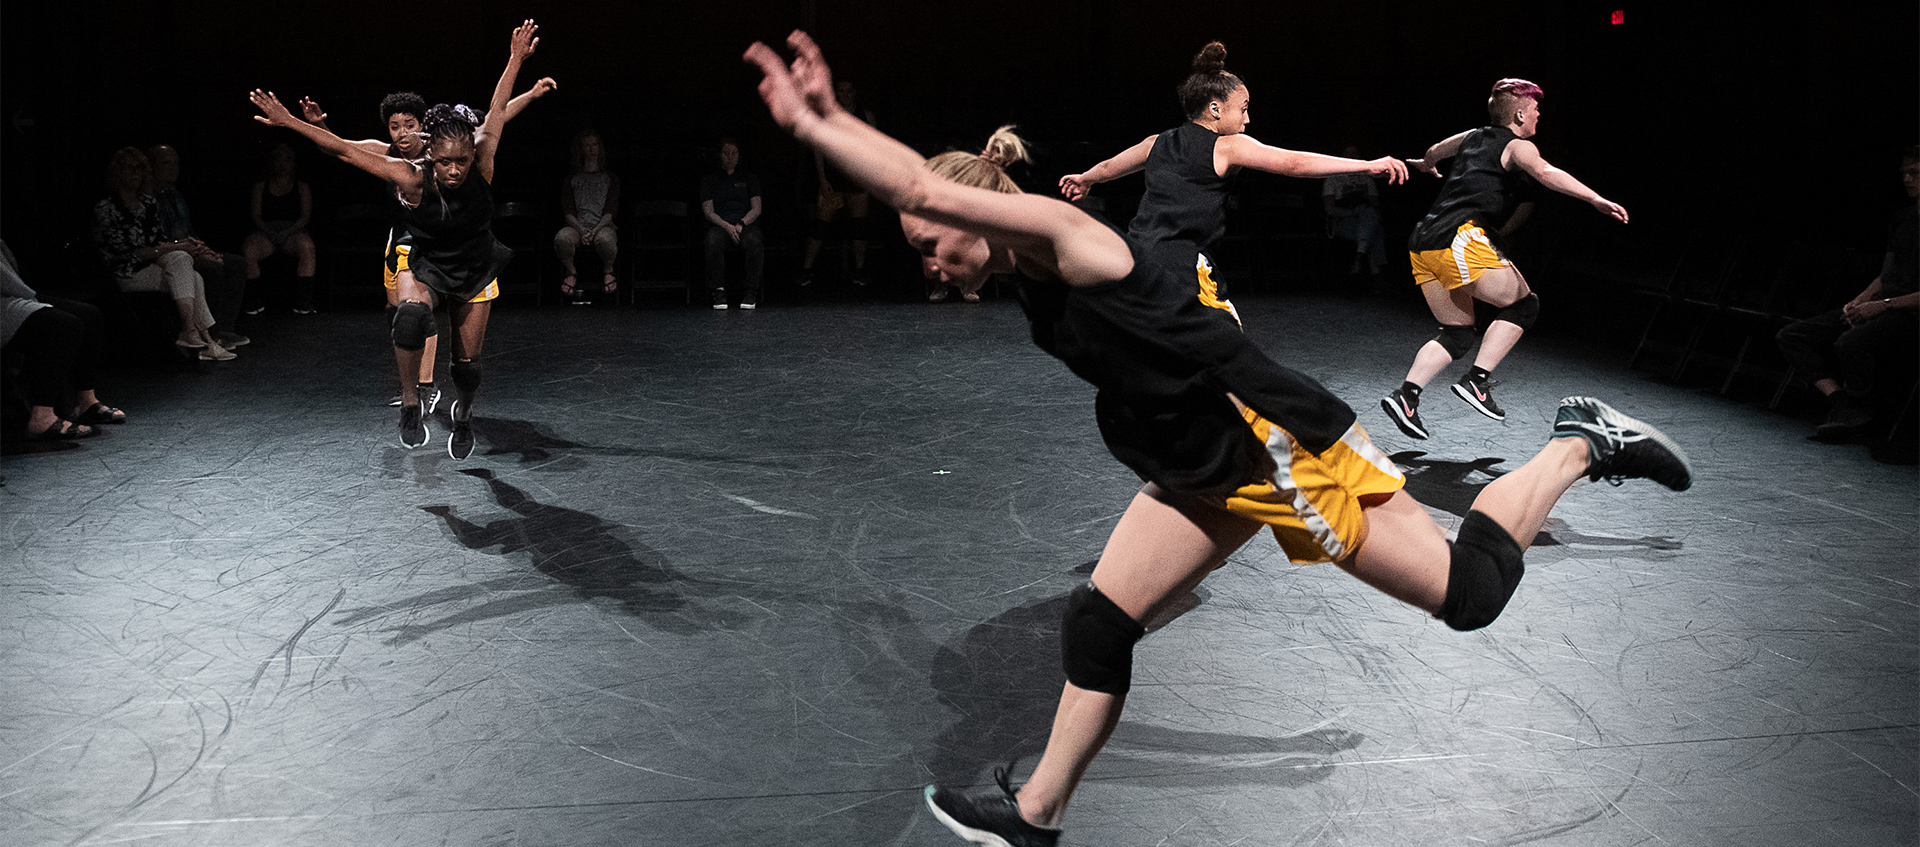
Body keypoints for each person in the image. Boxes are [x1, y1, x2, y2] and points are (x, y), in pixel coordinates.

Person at [744, 32, 1694, 847]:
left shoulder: (1069, 240)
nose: (930, 260)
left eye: (930, 241)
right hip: (1196, 461)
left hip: (1275, 445)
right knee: (1100, 621)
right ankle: (1035, 817)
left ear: (970, 214)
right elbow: (929, 195)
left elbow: (917, 180)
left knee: (1469, 594)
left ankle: (1578, 444)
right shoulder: (1034, 273)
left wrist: (819, 120)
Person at [251, 19, 552, 458]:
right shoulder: (410, 177)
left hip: (475, 265)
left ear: (471, 153)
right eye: (445, 162)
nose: (453, 170)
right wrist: (292, 123)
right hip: (428, 263)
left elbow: (497, 108)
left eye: (461, 162)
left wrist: (515, 60)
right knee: (408, 318)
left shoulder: (482, 159)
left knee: (467, 368)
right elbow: (343, 150)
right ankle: (411, 404)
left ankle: (463, 415)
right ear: (433, 155)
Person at [1060, 42, 1406, 321]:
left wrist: (1084, 179)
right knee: (1227, 353)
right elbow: (1294, 163)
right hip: (1181, 265)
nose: (1247, 118)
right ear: (1214, 109)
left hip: (1137, 260)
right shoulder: (1227, 146)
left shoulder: (1156, 142)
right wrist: (1366, 165)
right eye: (1242, 108)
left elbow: (1108, 168)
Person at [1380, 79, 1630, 440]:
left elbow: (1435, 150)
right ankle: (1477, 382)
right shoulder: (1518, 146)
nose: (1538, 116)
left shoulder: (1472, 136)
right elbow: (1545, 172)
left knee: (1458, 332)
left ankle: (1406, 397)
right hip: (1458, 238)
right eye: (1535, 110)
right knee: (1523, 306)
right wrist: (1594, 199)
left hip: (1423, 242)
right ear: (1519, 113)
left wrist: (1427, 164)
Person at [300, 83, 552, 406]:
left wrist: (529, 94)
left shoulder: (445, 150)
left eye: (409, 126)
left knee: (419, 311)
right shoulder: (389, 154)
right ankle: (414, 382)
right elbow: (340, 148)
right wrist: (317, 125)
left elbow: (494, 118)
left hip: (435, 245)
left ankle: (426, 384)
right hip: (400, 237)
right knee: (398, 315)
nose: (402, 134)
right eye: (394, 127)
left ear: (423, 130)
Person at [1776, 147, 1920, 442]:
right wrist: (1862, 299)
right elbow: (1887, 274)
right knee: (1793, 336)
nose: (1907, 179)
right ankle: (1844, 405)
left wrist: (1881, 306)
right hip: (1885, 305)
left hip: (1910, 314)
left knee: (1850, 343)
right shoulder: (1903, 219)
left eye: (1914, 172)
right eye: (1903, 173)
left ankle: (1861, 411)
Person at [92, 147, 235, 361]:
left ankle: (195, 335)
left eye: (139, 170)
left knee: (186, 266)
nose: (134, 174)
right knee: (188, 270)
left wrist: (180, 247)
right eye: (129, 169)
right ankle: (206, 339)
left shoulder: (148, 204)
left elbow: (158, 240)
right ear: (117, 173)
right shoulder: (107, 208)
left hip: (151, 265)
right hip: (127, 271)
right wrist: (175, 247)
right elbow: (131, 253)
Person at [1, 239, 124, 440]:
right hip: (6, 297)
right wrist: (32, 297)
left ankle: (86, 403)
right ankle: (42, 417)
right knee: (64, 326)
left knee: (89, 316)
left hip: (9, 294)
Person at [146, 144, 250, 350]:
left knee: (235, 263)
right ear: (152, 166)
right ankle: (212, 331)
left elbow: (187, 229)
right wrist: (193, 250)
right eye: (167, 163)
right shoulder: (148, 199)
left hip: (188, 247)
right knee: (212, 269)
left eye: (176, 163)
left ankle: (225, 328)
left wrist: (205, 249)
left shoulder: (173, 193)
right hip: (170, 254)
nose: (173, 168)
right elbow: (157, 238)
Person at [794, 78, 878, 289]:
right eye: (842, 91)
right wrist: (822, 179)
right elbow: (818, 148)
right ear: (837, 93)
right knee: (821, 225)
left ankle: (859, 270)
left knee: (859, 225)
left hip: (857, 178)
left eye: (849, 90)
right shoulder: (827, 115)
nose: (846, 94)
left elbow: (876, 148)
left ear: (854, 92)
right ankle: (806, 270)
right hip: (833, 177)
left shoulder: (865, 115)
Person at [242, 143, 318, 314]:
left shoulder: (301, 187)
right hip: (266, 232)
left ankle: (303, 303)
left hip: (292, 232)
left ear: (293, 163)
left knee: (308, 247)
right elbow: (256, 216)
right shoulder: (261, 186)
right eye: (278, 160)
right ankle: (253, 302)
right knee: (249, 250)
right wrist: (269, 232)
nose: (283, 165)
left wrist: (287, 232)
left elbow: (305, 217)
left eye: (287, 160)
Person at [699, 137, 764, 309]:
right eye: (726, 153)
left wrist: (741, 223)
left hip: (744, 224)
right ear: (719, 155)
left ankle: (751, 291)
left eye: (734, 153)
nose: (730, 157)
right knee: (712, 240)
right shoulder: (709, 180)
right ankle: (719, 291)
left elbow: (757, 209)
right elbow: (708, 211)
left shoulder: (749, 178)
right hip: (721, 225)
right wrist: (727, 226)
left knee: (755, 241)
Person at [556, 129, 620, 300]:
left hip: (602, 225)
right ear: (581, 149)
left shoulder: (609, 178)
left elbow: (610, 211)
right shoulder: (573, 179)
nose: (592, 149)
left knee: (606, 240)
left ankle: (608, 270)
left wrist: (594, 230)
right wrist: (582, 229)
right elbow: (568, 210)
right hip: (578, 225)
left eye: (595, 145)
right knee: (562, 238)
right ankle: (571, 271)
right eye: (587, 145)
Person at [1322, 145, 1389, 278]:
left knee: (1370, 219)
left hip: (1364, 220)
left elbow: (1376, 207)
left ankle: (1359, 259)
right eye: (1348, 154)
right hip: (1343, 222)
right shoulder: (1332, 179)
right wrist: (1354, 212)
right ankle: (1377, 275)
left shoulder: (1367, 179)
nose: (1351, 157)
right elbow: (1329, 210)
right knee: (1373, 230)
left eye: (1354, 154)